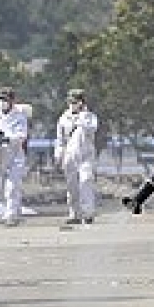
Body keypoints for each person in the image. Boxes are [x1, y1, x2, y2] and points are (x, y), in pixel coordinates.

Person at [54, 89, 98, 226]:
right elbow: (60, 139)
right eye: (71, 101)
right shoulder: (63, 118)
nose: (73, 104)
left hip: (86, 156)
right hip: (70, 156)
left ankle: (88, 213)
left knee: (86, 181)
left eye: (76, 101)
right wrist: (58, 155)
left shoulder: (89, 116)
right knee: (72, 187)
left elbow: (91, 129)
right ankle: (75, 214)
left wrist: (82, 116)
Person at [0, 86, 28, 226]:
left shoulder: (20, 116)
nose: (3, 102)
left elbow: (22, 135)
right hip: (0, 156)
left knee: (12, 187)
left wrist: (7, 138)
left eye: (6, 99)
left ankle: (11, 215)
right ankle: (12, 211)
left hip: (15, 156)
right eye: (1, 99)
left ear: (12, 101)